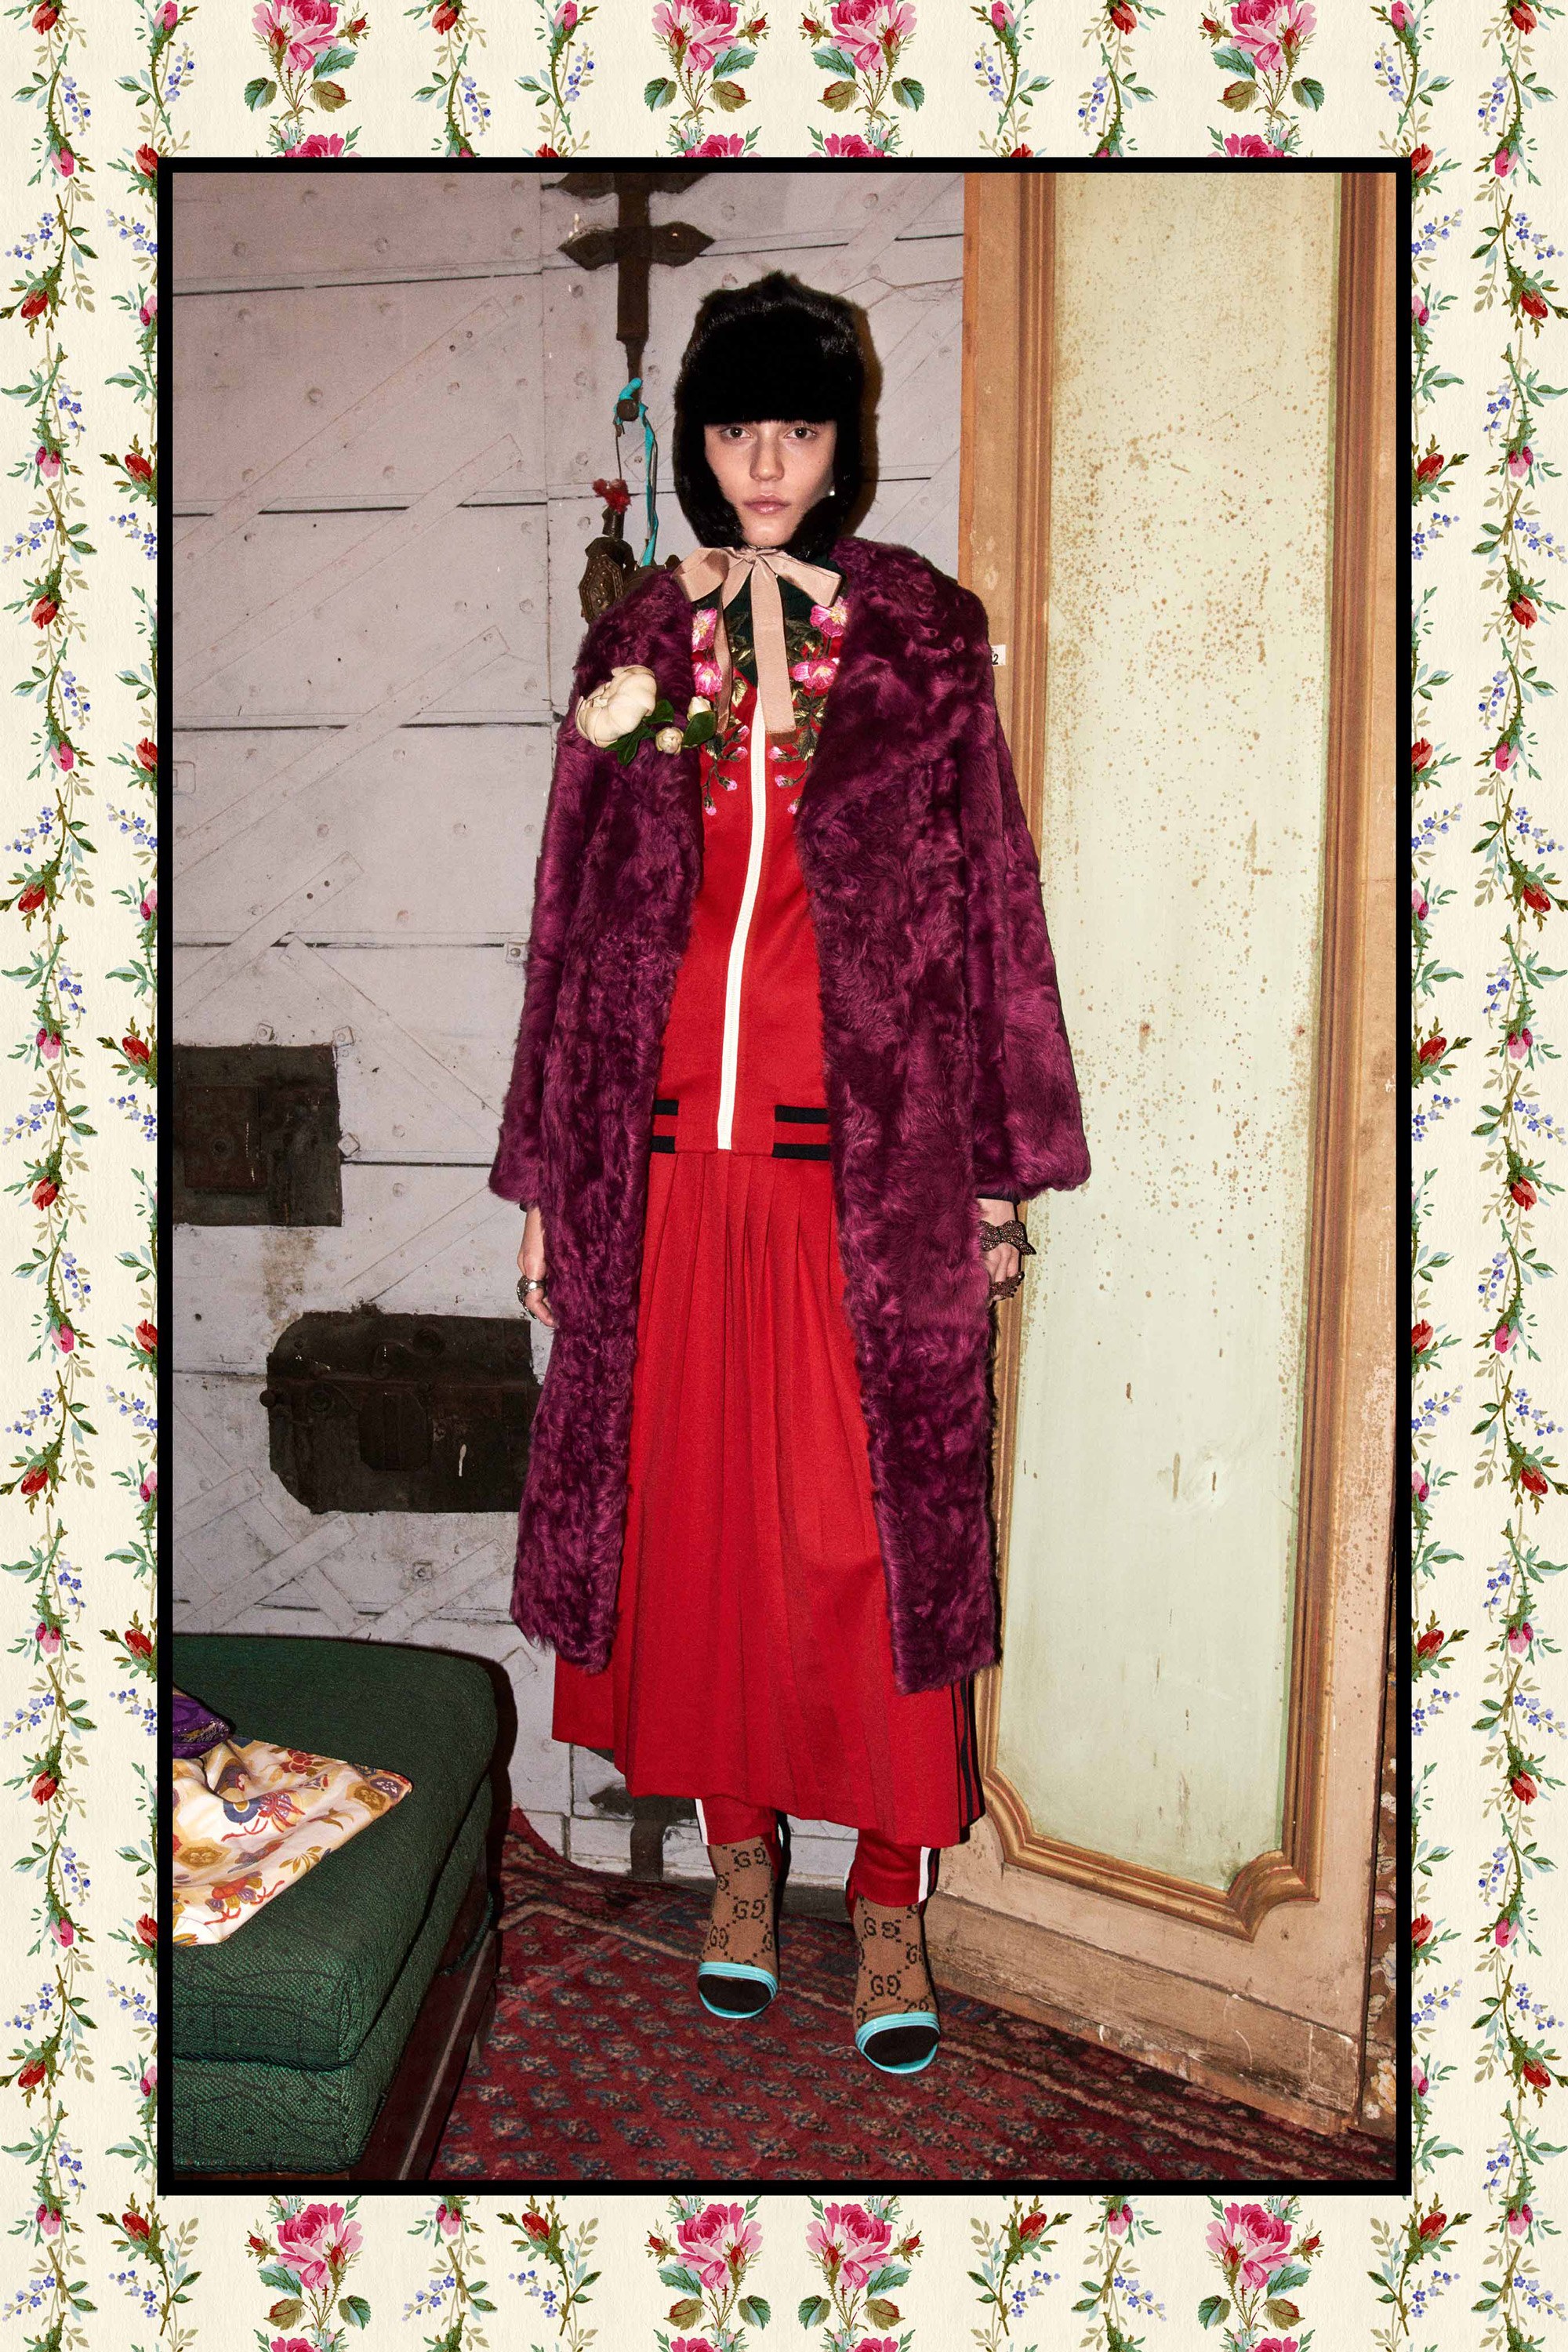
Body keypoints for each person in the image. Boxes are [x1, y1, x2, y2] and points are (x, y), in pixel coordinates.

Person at [492, 270, 1091, 2077]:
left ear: (844, 446)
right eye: (738, 431)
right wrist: (549, 1183)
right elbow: (570, 925)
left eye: (799, 431)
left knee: (868, 1561)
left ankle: (890, 1902)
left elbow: (991, 909)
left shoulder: (916, 634)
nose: (766, 464)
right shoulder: (639, 643)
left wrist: (994, 1181)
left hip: (865, 1193)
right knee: (698, 1560)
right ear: (698, 446)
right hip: (668, 1180)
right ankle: (740, 1876)